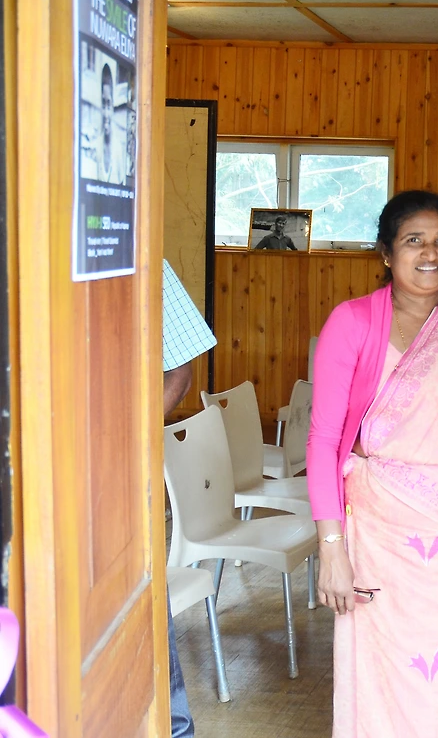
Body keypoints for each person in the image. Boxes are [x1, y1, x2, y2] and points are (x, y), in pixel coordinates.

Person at [308, 191, 438, 738]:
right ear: (386, 253)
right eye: (414, 241)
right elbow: (324, 440)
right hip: (381, 536)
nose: (430, 253)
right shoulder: (352, 322)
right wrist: (331, 548)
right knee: (382, 672)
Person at [161, 259, 217, 737]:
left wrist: (124, 438)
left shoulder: (137, 256)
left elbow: (179, 368)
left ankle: (176, 729)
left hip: (107, 476)